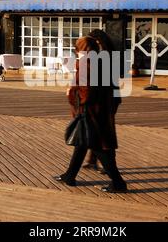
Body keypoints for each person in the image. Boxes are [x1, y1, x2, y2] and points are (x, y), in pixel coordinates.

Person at [54, 36, 127, 193]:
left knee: (99, 146)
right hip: (100, 110)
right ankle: (70, 175)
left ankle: (118, 183)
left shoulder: (87, 62)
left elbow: (86, 90)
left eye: (78, 48)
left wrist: (71, 94)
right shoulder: (100, 61)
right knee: (83, 143)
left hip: (90, 111)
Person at [83, 29, 122, 173]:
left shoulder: (106, 56)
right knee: (98, 130)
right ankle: (93, 160)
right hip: (107, 98)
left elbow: (103, 82)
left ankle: (108, 165)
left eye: (95, 42)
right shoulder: (104, 55)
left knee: (106, 132)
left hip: (107, 99)